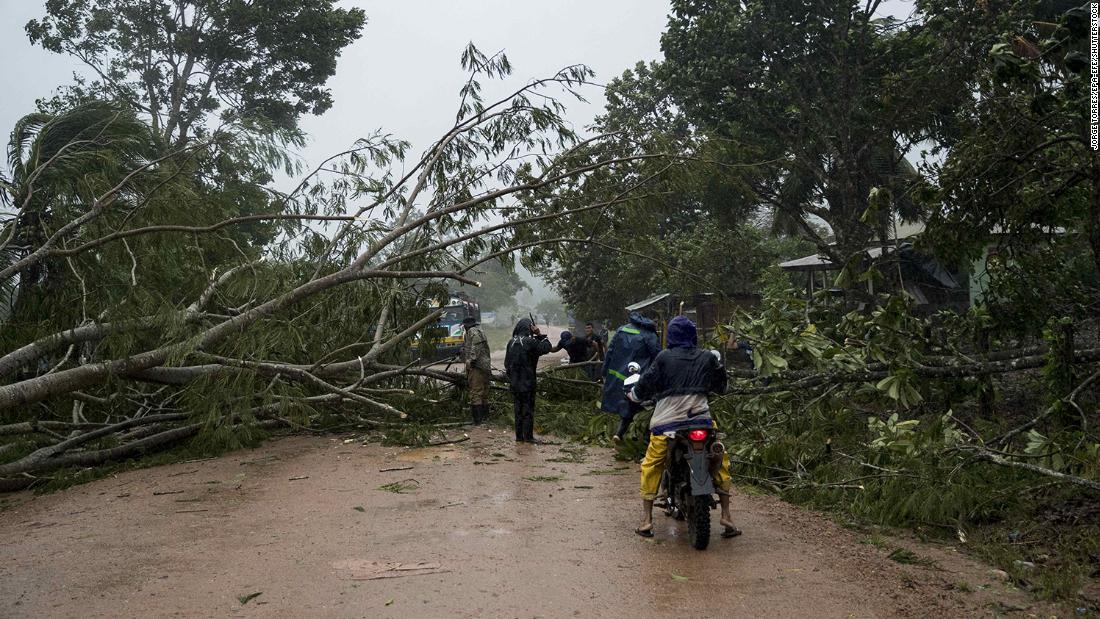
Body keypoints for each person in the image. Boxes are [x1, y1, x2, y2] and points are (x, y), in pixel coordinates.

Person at [630, 316, 740, 539]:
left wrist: (633, 394)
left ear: (670, 336)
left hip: (667, 425)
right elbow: (722, 386)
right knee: (720, 460)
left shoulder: (663, 358)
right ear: (693, 336)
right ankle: (727, 514)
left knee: (651, 464)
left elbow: (644, 386)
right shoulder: (707, 357)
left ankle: (646, 520)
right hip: (702, 422)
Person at [600, 312, 660, 441]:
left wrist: (604, 372)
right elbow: (657, 358)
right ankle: (641, 437)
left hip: (620, 376)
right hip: (641, 376)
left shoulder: (622, 330)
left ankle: (621, 434)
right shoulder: (650, 335)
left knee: (626, 403)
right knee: (644, 407)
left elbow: (610, 352)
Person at [504, 317, 552, 443]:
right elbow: (547, 347)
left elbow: (506, 364)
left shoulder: (511, 342)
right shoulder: (530, 342)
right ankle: (529, 437)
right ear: (529, 328)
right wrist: (539, 334)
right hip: (528, 382)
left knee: (518, 410)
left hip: (515, 383)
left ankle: (519, 437)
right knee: (528, 410)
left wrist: (512, 377)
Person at [461, 316, 492, 424]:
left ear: (466, 325)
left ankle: (478, 421)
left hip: (477, 367)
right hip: (485, 366)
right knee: (484, 393)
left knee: (476, 393)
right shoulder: (480, 331)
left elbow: (476, 348)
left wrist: (471, 361)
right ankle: (485, 418)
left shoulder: (472, 332)